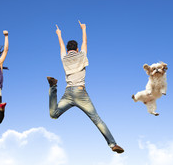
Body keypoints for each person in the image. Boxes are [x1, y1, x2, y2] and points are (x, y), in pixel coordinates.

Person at [47, 21, 124, 153]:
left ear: (68, 49)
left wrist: (59, 34)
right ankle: (112, 144)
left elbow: (61, 45)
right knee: (96, 118)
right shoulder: (82, 55)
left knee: (53, 114)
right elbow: (85, 42)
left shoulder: (64, 57)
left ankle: (53, 87)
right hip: (80, 93)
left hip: (68, 93)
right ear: (77, 49)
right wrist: (83, 29)